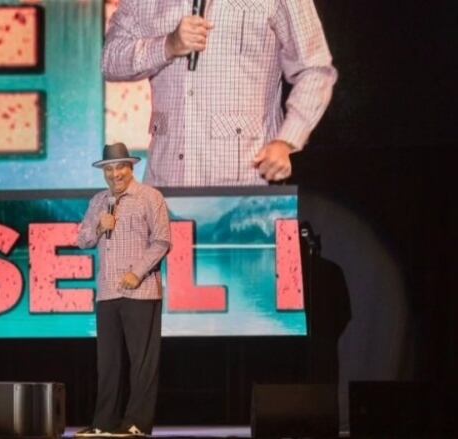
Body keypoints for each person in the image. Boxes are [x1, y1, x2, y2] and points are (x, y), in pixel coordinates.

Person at [103, 0, 338, 187]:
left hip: (246, 189)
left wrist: (286, 141)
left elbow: (315, 69)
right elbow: (110, 60)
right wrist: (167, 46)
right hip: (166, 185)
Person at [76, 143, 171, 437]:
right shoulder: (98, 201)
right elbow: (82, 240)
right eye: (108, 169)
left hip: (140, 291)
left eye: (120, 167)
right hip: (107, 292)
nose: (114, 174)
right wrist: (98, 228)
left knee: (142, 363)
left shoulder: (150, 197)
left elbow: (162, 241)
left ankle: (136, 425)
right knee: (108, 363)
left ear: (131, 168)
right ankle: (104, 424)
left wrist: (136, 273)